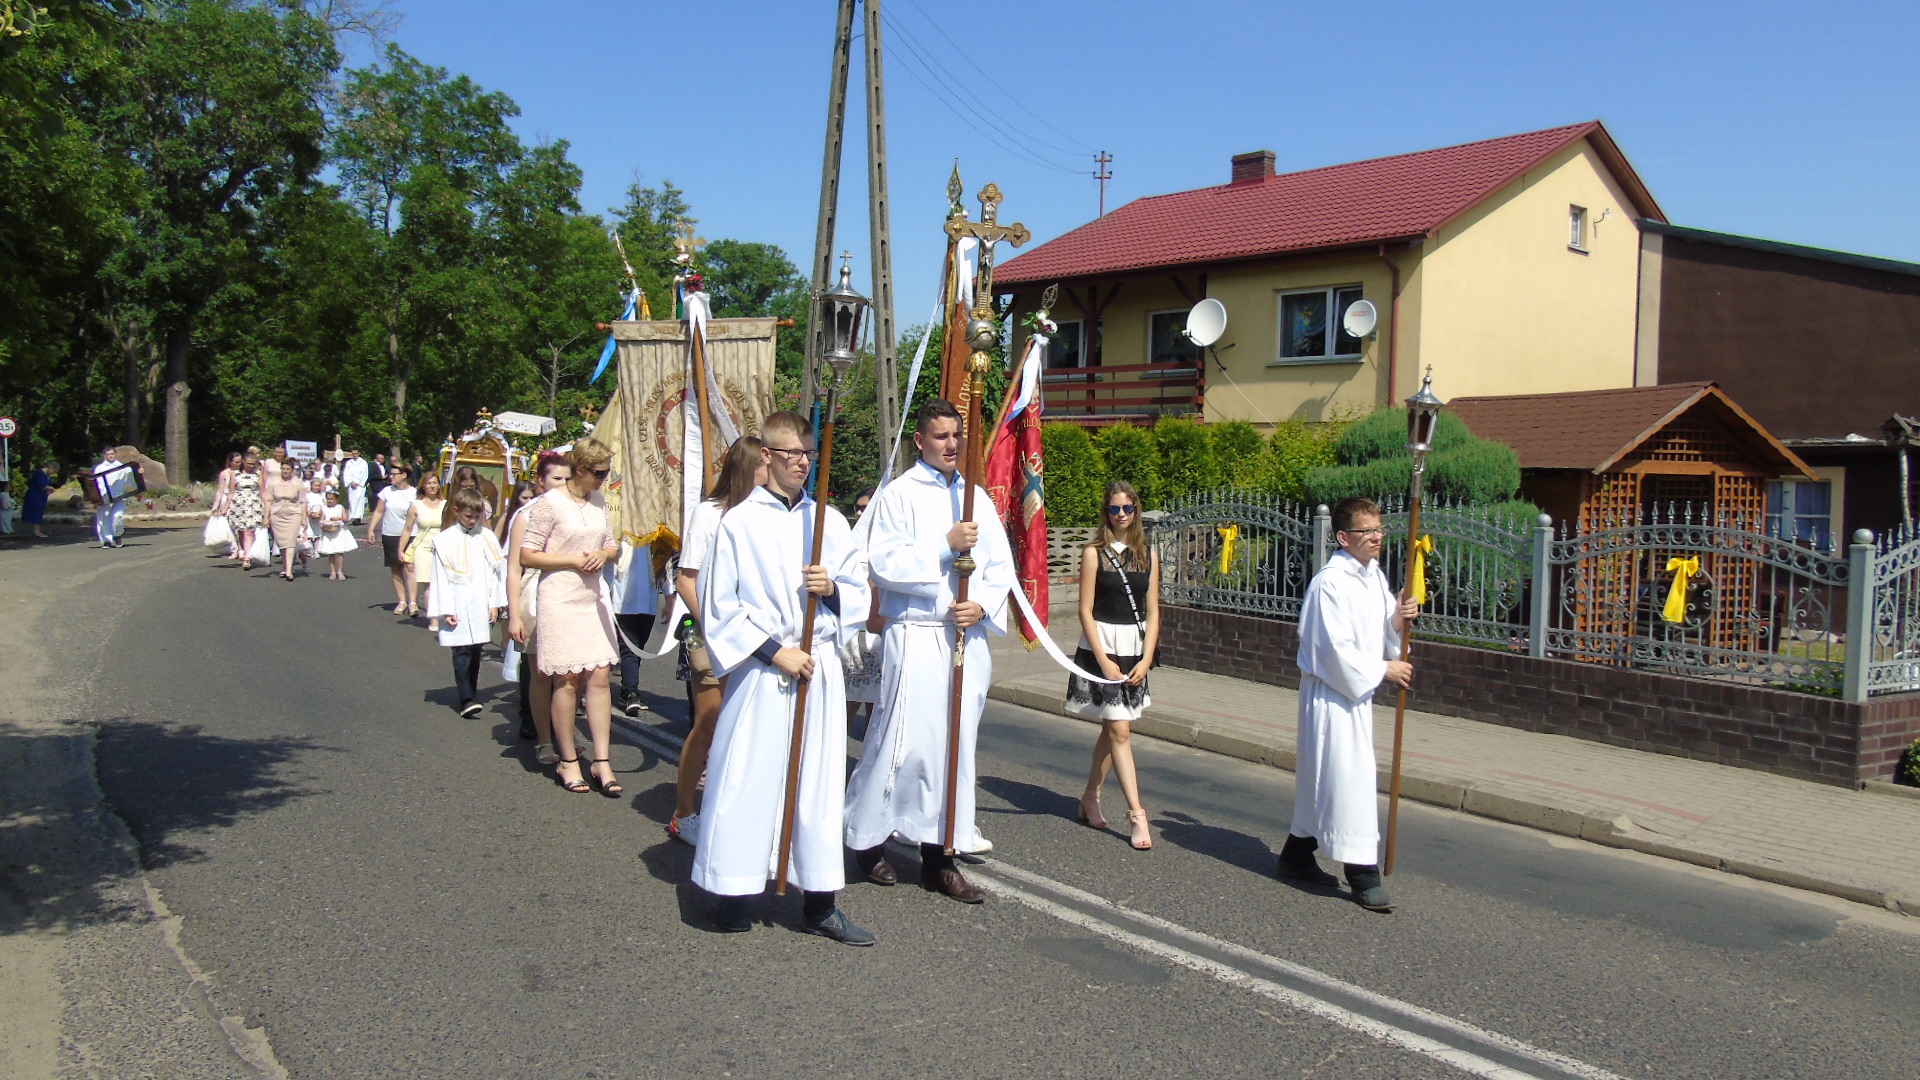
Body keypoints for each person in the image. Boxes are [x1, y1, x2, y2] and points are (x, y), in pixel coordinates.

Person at [692, 411, 873, 944]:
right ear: (766, 456)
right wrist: (776, 652)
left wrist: (832, 590)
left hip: (819, 670)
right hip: (763, 673)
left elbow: (859, 591)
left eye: (808, 453)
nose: (802, 462)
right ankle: (733, 891)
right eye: (791, 453)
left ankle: (819, 902)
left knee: (817, 783)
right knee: (749, 779)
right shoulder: (738, 524)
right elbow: (720, 607)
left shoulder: (830, 523)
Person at [843, 398, 1015, 903]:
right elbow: (884, 564)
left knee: (954, 748)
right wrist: (945, 543)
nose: (951, 445)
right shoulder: (897, 495)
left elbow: (1000, 566)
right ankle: (866, 836)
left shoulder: (975, 498)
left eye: (956, 436)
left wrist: (980, 605)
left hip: (964, 639)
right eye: (940, 437)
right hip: (916, 634)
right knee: (902, 740)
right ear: (920, 441)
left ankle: (940, 856)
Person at [1280, 496, 1418, 913]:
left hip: (1355, 695)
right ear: (1344, 537)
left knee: (1325, 780)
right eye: (1366, 531)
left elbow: (1379, 630)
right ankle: (1362, 873)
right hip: (1332, 694)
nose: (1377, 537)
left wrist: (1399, 617)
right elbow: (1331, 650)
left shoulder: (1372, 575)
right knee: (1348, 781)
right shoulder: (1331, 582)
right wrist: (1382, 670)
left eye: (1379, 529)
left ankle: (1297, 854)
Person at [666, 436, 765, 844]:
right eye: (765, 464)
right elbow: (686, 577)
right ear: (748, 468)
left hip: (755, 634)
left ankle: (733, 808)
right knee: (710, 719)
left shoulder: (767, 514)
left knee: (745, 724)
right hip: (710, 633)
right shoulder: (711, 513)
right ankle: (683, 812)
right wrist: (714, 623)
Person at [519, 439, 622, 797]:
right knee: (566, 678)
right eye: (598, 473)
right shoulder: (549, 505)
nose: (603, 479)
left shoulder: (598, 501)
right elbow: (528, 555)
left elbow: (612, 543)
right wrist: (573, 559)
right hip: (559, 596)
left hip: (591, 596)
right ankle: (568, 759)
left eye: (606, 473)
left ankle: (602, 760)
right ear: (579, 469)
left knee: (600, 675)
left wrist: (603, 555)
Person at [1067, 481, 1162, 851]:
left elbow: (1153, 611)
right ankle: (1138, 815)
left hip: (1134, 651)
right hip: (1101, 649)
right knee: (1120, 731)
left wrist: (1148, 656)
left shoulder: (1147, 554)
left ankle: (1091, 797)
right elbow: (1084, 611)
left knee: (1112, 731)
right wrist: (1102, 658)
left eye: (1127, 508)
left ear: (1136, 510)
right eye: (1114, 509)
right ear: (1105, 512)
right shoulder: (1094, 553)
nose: (1121, 515)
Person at [504, 457, 571, 761]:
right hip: (535, 596)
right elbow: (513, 570)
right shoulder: (526, 515)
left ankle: (565, 735)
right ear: (540, 482)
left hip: (568, 597)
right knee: (541, 674)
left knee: (570, 675)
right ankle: (545, 739)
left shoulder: (575, 512)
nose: (563, 485)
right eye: (557, 479)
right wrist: (514, 613)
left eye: (567, 479)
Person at [430, 486, 507, 718]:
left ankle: (470, 693)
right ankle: (466, 699)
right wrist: (446, 609)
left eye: (477, 516)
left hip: (481, 600)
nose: (473, 521)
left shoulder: (486, 537)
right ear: (457, 511)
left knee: (476, 649)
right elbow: (440, 577)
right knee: (461, 649)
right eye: (468, 516)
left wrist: (494, 603)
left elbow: (495, 572)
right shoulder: (444, 540)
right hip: (457, 601)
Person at [363, 464, 416, 613]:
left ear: (404, 475)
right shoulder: (386, 492)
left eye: (394, 474)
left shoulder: (414, 493)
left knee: (410, 567)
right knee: (396, 567)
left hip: (410, 534)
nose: (390, 476)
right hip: (391, 533)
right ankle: (402, 601)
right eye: (390, 474)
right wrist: (371, 528)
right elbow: (379, 511)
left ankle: (413, 602)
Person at [399, 472, 446, 627]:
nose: (432, 486)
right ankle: (433, 619)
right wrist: (401, 549)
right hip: (423, 547)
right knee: (429, 584)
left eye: (435, 483)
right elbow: (407, 529)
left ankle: (443, 615)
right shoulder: (416, 505)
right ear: (423, 486)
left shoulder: (446, 504)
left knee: (442, 584)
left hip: (441, 548)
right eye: (429, 483)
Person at [266, 459, 308, 579]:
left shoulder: (298, 483)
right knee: (282, 543)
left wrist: (304, 518)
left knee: (290, 542)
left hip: (293, 514)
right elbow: (268, 500)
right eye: (283, 469)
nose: (285, 471)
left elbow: (303, 501)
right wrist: (266, 517)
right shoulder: (273, 482)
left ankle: (289, 570)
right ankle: (285, 567)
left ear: (292, 470)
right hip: (277, 514)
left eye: (287, 469)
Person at [229, 454, 266, 567]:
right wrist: (225, 507)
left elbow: (263, 491)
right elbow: (231, 492)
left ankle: (247, 558)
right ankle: (245, 552)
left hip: (253, 504)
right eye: (248, 463)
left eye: (253, 464)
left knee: (249, 531)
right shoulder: (235, 474)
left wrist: (266, 507)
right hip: (239, 505)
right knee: (241, 530)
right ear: (243, 462)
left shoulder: (258, 475)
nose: (250, 466)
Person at [91, 447, 132, 548]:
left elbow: (131, 475)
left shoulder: (122, 467)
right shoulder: (99, 468)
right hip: (104, 497)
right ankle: (107, 541)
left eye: (112, 454)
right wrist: (98, 498)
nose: (111, 456)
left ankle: (117, 535)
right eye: (108, 454)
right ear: (105, 455)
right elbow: (96, 483)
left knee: (117, 517)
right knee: (104, 519)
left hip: (119, 496)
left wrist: (139, 471)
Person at [313, 488, 355, 579]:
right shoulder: (324, 508)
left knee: (340, 552)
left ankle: (340, 571)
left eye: (332, 499)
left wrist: (337, 518)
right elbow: (321, 519)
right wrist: (322, 522)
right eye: (328, 499)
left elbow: (346, 519)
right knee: (331, 552)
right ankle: (332, 571)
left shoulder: (340, 507)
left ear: (336, 500)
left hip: (339, 531)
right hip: (329, 532)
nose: (329, 501)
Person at [22, 464, 53, 539]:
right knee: (36, 513)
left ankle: (37, 530)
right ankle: (37, 531)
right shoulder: (39, 473)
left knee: (39, 512)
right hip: (35, 496)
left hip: (41, 496)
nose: (53, 473)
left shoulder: (46, 475)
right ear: (51, 467)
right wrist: (51, 488)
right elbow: (42, 485)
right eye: (53, 471)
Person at [342, 449, 370, 524]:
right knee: (352, 501)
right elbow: (346, 473)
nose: (354, 455)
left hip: (359, 485)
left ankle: (358, 518)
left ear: (359, 453)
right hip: (351, 485)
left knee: (359, 501)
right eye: (353, 453)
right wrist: (350, 482)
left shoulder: (363, 463)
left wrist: (359, 483)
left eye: (356, 453)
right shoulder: (349, 463)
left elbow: (364, 474)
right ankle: (353, 517)